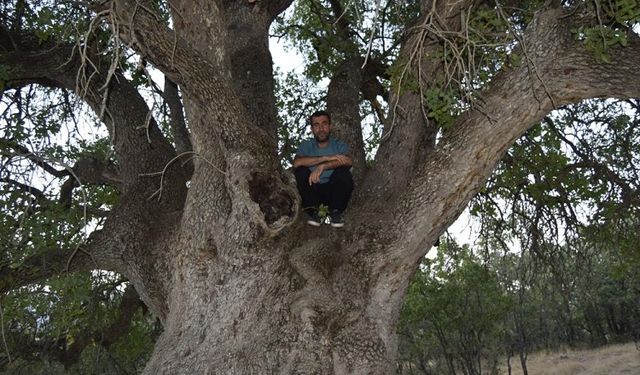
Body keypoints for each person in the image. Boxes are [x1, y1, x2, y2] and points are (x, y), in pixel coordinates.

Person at [293, 110, 354, 227]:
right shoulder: (306, 145)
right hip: (313, 192)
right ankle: (315, 213)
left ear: (330, 126)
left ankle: (335, 213)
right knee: (301, 171)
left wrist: (323, 166)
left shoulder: (338, 144)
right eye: (316, 125)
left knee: (343, 172)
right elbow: (296, 163)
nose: (321, 129)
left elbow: (348, 161)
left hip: (334, 192)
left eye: (324, 124)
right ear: (312, 129)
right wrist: (326, 157)